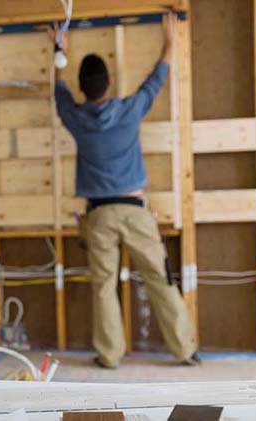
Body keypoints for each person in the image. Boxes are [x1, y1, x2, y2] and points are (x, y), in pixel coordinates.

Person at [50, 14, 199, 368]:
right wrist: (169, 43)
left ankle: (110, 355)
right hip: (134, 209)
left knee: (104, 286)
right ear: (110, 82)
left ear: (83, 88)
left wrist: (58, 52)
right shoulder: (130, 110)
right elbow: (155, 81)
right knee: (159, 278)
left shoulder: (77, 118)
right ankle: (185, 350)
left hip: (99, 214)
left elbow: (59, 95)